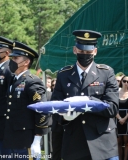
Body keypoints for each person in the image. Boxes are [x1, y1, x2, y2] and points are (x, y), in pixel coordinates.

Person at [51, 30, 119, 160]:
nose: (85, 55)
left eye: (88, 52)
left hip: (102, 143)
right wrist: (65, 117)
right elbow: (55, 107)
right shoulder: (64, 74)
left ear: (95, 51)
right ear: (75, 50)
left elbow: (112, 108)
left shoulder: (106, 73)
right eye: (82, 51)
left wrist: (87, 101)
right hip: (74, 144)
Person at [3, 41, 50, 159]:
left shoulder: (32, 81)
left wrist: (37, 139)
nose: (12, 61)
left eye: (16, 58)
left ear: (26, 62)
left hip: (26, 139)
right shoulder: (14, 80)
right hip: (12, 137)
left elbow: (42, 110)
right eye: (12, 58)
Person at [116, 76, 128, 160]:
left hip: (127, 120)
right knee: (118, 142)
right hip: (117, 119)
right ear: (121, 81)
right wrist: (119, 118)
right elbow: (114, 107)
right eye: (124, 81)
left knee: (127, 143)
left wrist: (124, 119)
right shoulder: (116, 92)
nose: (126, 83)